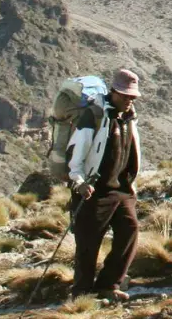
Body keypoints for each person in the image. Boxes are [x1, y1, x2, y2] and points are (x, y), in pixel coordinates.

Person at [67, 69, 142, 303]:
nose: (129, 100)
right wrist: (79, 182)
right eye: (125, 95)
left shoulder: (129, 117)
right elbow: (75, 154)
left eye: (132, 97)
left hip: (122, 189)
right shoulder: (94, 116)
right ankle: (81, 294)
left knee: (129, 231)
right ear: (113, 92)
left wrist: (131, 184)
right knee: (88, 243)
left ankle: (109, 284)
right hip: (94, 190)